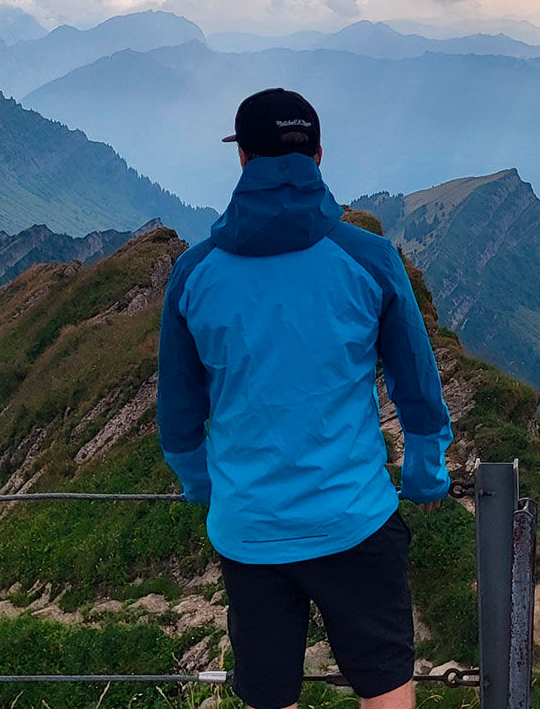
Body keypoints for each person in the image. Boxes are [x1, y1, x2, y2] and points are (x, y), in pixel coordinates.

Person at [157, 87, 452, 709]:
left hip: (250, 529)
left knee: (269, 696)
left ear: (242, 160)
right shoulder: (367, 258)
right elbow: (418, 387)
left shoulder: (194, 272)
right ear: (318, 154)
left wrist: (204, 485)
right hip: (354, 519)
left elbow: (180, 416)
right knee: (385, 686)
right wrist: (424, 475)